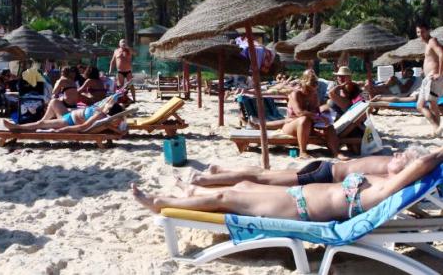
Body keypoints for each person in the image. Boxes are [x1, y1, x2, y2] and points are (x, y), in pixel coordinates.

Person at [132, 148, 443, 221]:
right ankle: (193, 190)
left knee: (228, 196)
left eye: (405, 157)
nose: (399, 154)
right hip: (297, 196)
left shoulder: (386, 190)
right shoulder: (384, 182)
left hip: (299, 207)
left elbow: (421, 164)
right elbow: (419, 166)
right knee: (243, 185)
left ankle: (160, 203)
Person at [184, 145, 429, 190]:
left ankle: (220, 173)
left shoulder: (391, 170)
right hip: (321, 174)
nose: (396, 153)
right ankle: (206, 180)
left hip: (323, 171)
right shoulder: (389, 169)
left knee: (263, 176)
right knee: (263, 178)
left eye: (402, 155)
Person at [281, 71, 346, 160]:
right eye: (308, 89)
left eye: (313, 90)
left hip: (309, 126)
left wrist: (324, 116)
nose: (310, 92)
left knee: (329, 126)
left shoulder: (314, 95)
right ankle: (302, 151)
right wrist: (318, 116)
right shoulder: (295, 94)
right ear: (303, 85)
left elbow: (317, 111)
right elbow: (299, 113)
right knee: (304, 119)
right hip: (292, 125)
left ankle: (336, 152)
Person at [3, 99, 125, 133]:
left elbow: (83, 127)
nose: (107, 105)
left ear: (109, 111)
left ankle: (17, 127)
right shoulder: (103, 111)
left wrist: (63, 130)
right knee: (54, 101)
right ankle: (38, 124)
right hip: (68, 115)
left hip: (67, 122)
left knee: (41, 124)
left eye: (108, 106)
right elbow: (122, 127)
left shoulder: (100, 115)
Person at [416, 22, 443, 136]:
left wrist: (440, 74)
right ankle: (437, 129)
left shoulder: (433, 41)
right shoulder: (427, 44)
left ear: (428, 31)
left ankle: (436, 129)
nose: (420, 34)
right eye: (418, 32)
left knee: (431, 105)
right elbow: (431, 59)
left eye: (422, 31)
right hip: (427, 79)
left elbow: (442, 54)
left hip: (434, 77)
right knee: (420, 106)